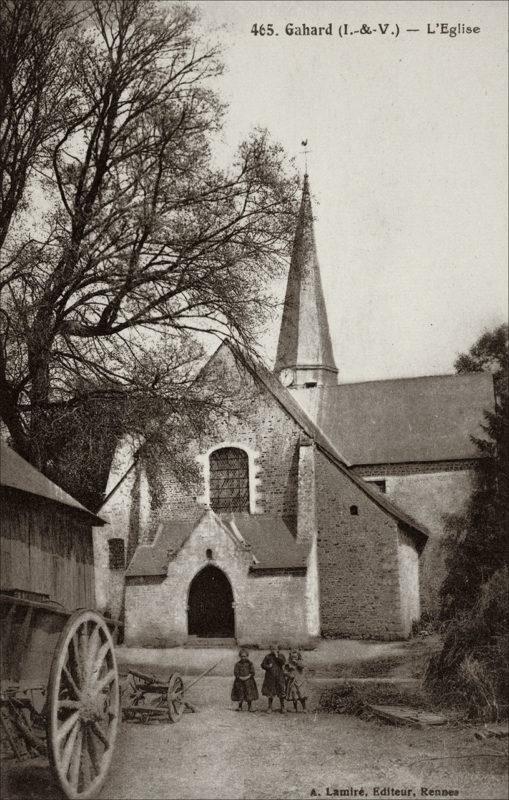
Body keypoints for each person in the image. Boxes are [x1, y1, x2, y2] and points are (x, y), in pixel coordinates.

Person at [261, 644, 286, 713]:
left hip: (279, 677)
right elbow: (262, 665)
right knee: (270, 692)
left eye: (275, 649)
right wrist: (268, 666)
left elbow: (283, 662)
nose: (273, 650)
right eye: (272, 649)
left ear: (278, 650)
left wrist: (277, 656)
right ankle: (270, 707)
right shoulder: (268, 656)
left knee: (281, 691)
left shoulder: (281, 656)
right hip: (270, 677)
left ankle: (282, 707)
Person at [285, 648, 308, 713]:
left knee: (301, 694)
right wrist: (288, 674)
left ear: (298, 656)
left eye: (295, 657)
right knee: (294, 694)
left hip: (300, 681)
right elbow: (285, 671)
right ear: (290, 656)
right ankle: (295, 708)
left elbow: (302, 666)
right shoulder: (289, 663)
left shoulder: (300, 661)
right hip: (292, 681)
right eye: (292, 657)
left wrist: (297, 662)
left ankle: (304, 708)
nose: (294, 658)